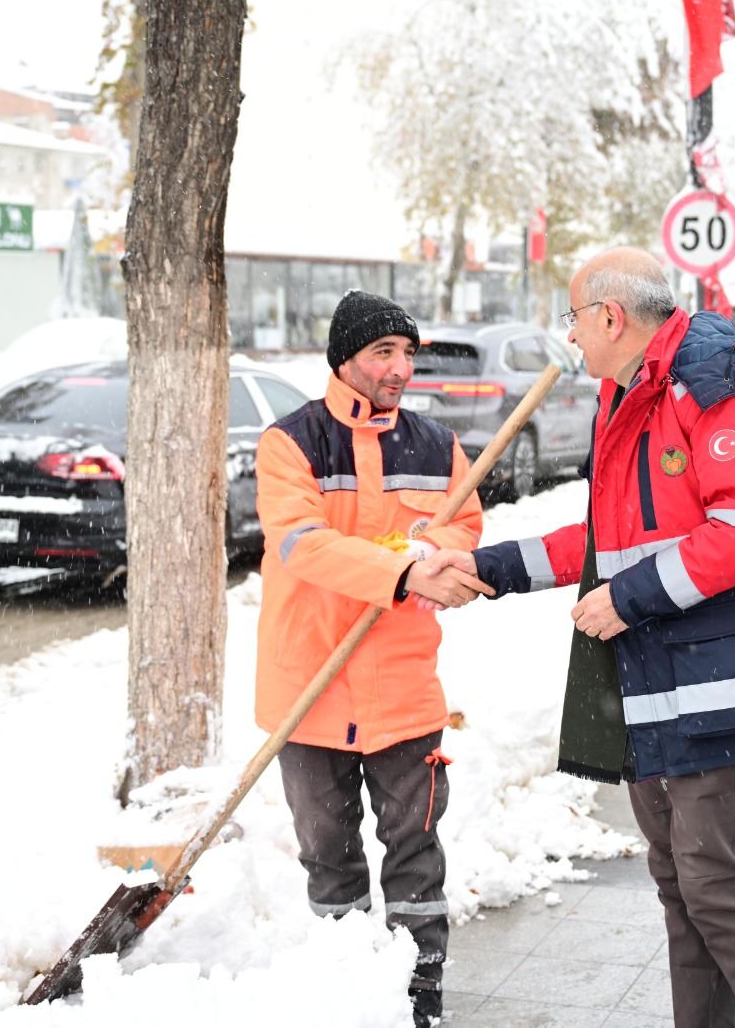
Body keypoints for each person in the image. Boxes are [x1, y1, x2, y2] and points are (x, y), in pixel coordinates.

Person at [428, 247, 735, 1028]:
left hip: (729, 681)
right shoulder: (632, 394)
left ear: (611, 316)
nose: (570, 339)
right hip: (658, 680)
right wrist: (490, 565)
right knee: (683, 886)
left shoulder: (723, 382)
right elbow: (613, 540)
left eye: (574, 320)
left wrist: (630, 601)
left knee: (717, 886)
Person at [254, 290, 493, 1027]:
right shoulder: (290, 443)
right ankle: (347, 990)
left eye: (408, 353)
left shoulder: (435, 445)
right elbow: (300, 542)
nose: (400, 368)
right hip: (311, 688)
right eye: (384, 353)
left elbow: (467, 528)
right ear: (345, 358)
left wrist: (437, 555)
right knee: (328, 854)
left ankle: (421, 999)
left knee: (416, 853)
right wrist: (401, 570)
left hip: (402, 689)